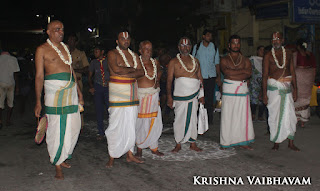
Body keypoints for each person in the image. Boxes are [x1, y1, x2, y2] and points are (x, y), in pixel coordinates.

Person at [34, 20, 83, 179]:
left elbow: (71, 70)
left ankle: (63, 155)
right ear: (48, 32)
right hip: (54, 93)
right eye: (56, 29)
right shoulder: (42, 49)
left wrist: (79, 92)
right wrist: (38, 101)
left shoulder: (65, 48)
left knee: (74, 126)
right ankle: (57, 163)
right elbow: (39, 76)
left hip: (71, 92)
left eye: (62, 29)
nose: (60, 32)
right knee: (57, 128)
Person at [105, 30, 145, 168]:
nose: (125, 41)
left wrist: (125, 70)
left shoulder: (134, 55)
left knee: (130, 124)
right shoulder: (112, 53)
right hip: (117, 93)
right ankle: (112, 155)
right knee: (115, 124)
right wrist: (133, 71)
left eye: (128, 39)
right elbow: (116, 70)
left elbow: (142, 72)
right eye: (122, 38)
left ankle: (129, 154)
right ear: (117, 41)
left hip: (132, 93)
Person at [262, 32, 299, 151]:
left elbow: (292, 72)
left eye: (278, 39)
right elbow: (264, 75)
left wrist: (295, 89)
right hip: (274, 89)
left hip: (287, 88)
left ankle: (291, 142)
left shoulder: (288, 53)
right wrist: (264, 95)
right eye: (273, 39)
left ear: (282, 40)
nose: (275, 41)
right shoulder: (268, 55)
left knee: (290, 116)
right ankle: (276, 141)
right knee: (274, 116)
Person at [167, 37, 204, 153]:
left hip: (194, 94)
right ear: (179, 47)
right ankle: (178, 143)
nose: (185, 47)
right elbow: (169, 81)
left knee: (193, 118)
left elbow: (200, 78)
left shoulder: (196, 61)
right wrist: (169, 97)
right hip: (179, 96)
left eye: (187, 45)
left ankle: (193, 143)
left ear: (191, 47)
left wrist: (202, 95)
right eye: (182, 45)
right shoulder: (173, 61)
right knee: (178, 119)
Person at [219, 35, 254, 150]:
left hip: (242, 88)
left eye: (238, 43)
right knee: (227, 116)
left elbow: (248, 73)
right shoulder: (224, 59)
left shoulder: (245, 59)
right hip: (229, 88)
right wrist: (242, 71)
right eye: (233, 43)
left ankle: (243, 141)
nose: (236, 45)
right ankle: (226, 142)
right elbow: (226, 72)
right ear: (229, 45)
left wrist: (234, 72)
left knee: (242, 116)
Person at [135, 40, 164, 157]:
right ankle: (139, 147)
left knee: (154, 121)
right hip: (141, 96)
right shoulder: (136, 62)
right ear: (140, 50)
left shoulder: (155, 62)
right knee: (141, 122)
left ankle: (154, 147)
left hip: (153, 94)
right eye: (146, 49)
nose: (149, 51)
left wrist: (157, 80)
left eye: (150, 49)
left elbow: (160, 71)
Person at [192, 29, 220, 124]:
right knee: (199, 97)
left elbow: (216, 63)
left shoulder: (214, 47)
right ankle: (197, 118)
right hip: (199, 77)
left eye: (210, 36)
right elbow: (193, 61)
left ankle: (209, 119)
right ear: (203, 36)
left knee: (209, 97)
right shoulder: (197, 47)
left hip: (210, 76)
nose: (209, 37)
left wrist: (218, 77)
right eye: (207, 35)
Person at [67, 33, 89, 129]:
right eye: (69, 40)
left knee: (79, 104)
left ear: (76, 43)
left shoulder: (80, 54)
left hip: (77, 82)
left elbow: (86, 68)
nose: (71, 42)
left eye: (73, 40)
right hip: (65, 82)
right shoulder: (63, 53)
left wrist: (73, 70)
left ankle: (80, 125)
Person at [293, 39, 317, 128]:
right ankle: (303, 120)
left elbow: (293, 68)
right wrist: (312, 79)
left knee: (297, 98)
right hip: (308, 78)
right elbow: (314, 68)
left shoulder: (296, 55)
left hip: (299, 78)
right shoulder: (311, 54)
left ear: (298, 46)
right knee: (305, 98)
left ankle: (297, 118)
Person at [88, 45, 109, 140]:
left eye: (97, 51)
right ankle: (101, 132)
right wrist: (91, 87)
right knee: (99, 110)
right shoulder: (93, 62)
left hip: (108, 87)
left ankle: (112, 131)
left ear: (102, 51)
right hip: (98, 86)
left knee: (111, 110)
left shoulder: (108, 61)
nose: (95, 53)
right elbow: (89, 76)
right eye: (94, 51)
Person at [0, 49, 20, 128]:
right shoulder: (13, 59)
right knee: (10, 103)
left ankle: (0, 120)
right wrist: (17, 87)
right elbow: (16, 74)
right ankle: (8, 120)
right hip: (10, 83)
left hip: (0, 83)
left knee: (0, 103)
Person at [249, 46, 265, 121]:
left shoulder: (266, 60)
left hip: (263, 82)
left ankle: (260, 115)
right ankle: (253, 114)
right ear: (257, 51)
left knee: (262, 99)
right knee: (253, 99)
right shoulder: (253, 59)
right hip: (254, 82)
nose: (262, 51)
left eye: (263, 50)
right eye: (260, 50)